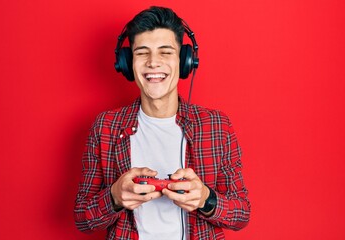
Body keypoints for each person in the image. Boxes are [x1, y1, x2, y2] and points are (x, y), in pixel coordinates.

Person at [74, 6, 250, 240]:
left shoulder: (216, 125)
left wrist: (204, 198)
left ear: (185, 61)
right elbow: (83, 218)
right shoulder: (106, 127)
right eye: (142, 52)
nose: (153, 62)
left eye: (165, 52)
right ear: (127, 63)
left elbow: (241, 215)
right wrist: (115, 196)